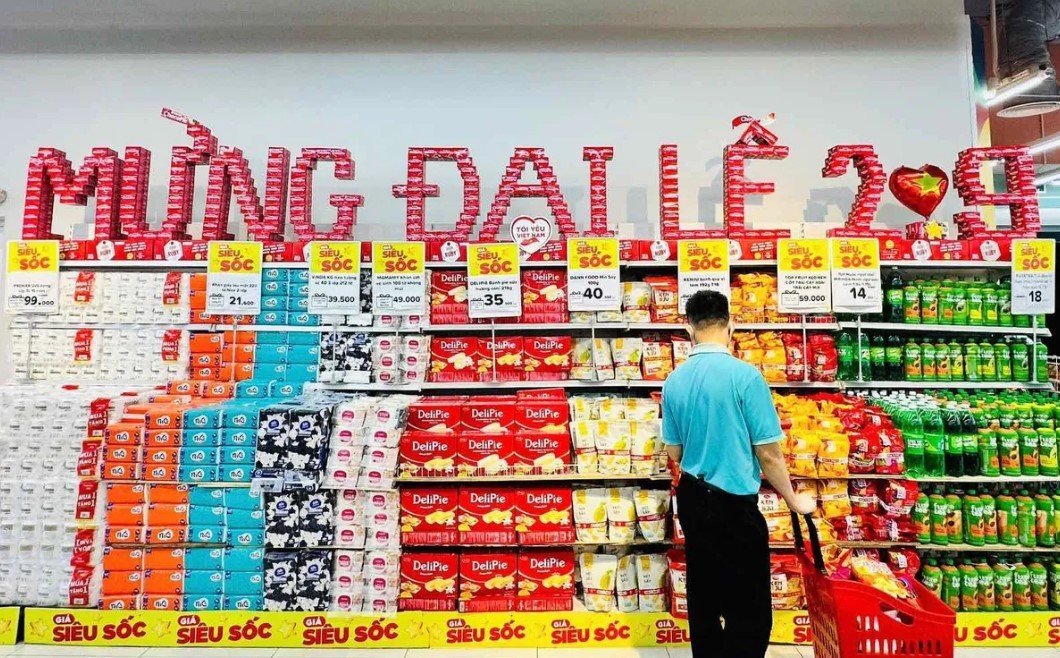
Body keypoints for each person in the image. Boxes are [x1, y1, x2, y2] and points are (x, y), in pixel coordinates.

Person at [662, 289, 814, 658]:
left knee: (703, 595)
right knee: (749, 606)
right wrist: (793, 500)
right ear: (731, 325)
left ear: (688, 329)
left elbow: (675, 452)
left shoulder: (674, 380)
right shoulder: (746, 377)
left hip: (693, 499)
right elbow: (769, 454)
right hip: (734, 505)